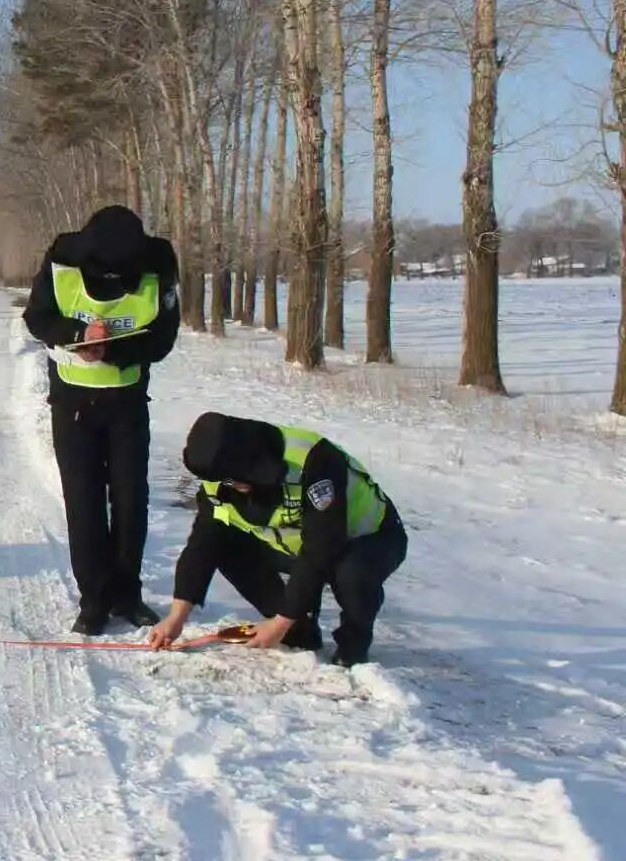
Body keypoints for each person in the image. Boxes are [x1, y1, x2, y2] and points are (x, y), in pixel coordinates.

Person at [22, 205, 181, 634]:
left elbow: (163, 337)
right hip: (72, 404)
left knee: (130, 502)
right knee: (84, 501)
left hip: (128, 402)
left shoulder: (158, 266)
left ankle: (127, 594)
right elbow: (37, 317)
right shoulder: (63, 262)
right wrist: (78, 336)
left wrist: (112, 350)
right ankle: (93, 599)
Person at [149, 412, 408, 667]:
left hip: (369, 539)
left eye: (235, 479)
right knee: (225, 546)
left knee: (352, 575)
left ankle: (353, 647)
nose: (232, 485)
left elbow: (321, 547)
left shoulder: (314, 461)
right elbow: (201, 546)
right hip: (294, 547)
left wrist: (283, 620)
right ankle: (300, 629)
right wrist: (176, 617)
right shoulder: (219, 480)